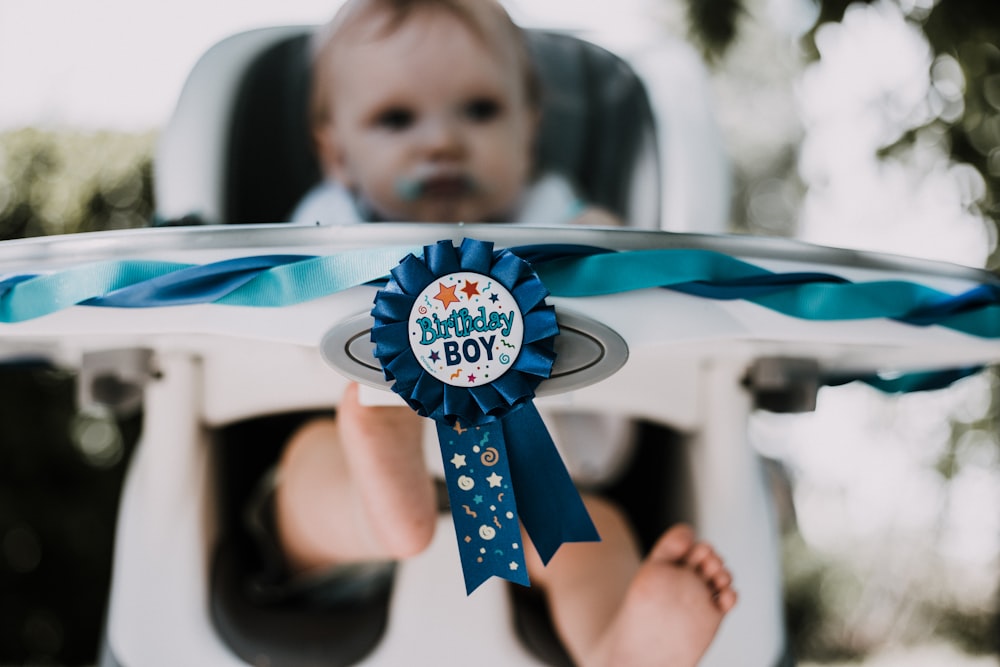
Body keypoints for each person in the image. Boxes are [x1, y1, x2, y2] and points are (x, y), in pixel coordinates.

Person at [266, 1, 738, 665]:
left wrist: (595, 250)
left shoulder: (558, 219)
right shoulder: (327, 225)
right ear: (336, 151)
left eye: (480, 110)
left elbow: (625, 266)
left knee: (592, 536)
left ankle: (621, 646)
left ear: (528, 130)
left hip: (523, 488)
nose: (442, 141)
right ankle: (382, 505)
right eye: (396, 118)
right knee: (309, 476)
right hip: (357, 447)